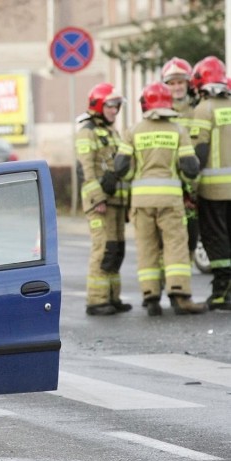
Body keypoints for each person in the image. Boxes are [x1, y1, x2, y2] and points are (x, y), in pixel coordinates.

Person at [114, 82, 206, 315]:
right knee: (175, 247)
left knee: (147, 247)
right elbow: (190, 168)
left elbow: (121, 168)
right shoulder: (177, 131)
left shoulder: (133, 131)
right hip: (170, 201)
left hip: (141, 203)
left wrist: (136, 174)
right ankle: (179, 296)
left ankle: (151, 296)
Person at [75, 83, 131, 315]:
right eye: (110, 105)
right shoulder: (87, 131)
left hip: (116, 201)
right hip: (100, 203)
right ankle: (96, 300)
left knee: (117, 249)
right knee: (103, 249)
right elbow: (86, 169)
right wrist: (97, 198)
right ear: (98, 105)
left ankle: (112, 297)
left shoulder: (112, 132)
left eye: (117, 106)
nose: (114, 110)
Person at [189, 55, 231, 310]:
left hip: (213, 189)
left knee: (216, 238)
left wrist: (191, 187)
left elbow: (200, 154)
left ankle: (222, 291)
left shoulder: (204, 109)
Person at [162, 57, 201, 260]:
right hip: (171, 187)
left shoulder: (198, 111)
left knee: (192, 239)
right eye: (172, 83)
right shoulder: (160, 114)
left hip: (195, 184)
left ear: (188, 84)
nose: (176, 87)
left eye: (180, 82)